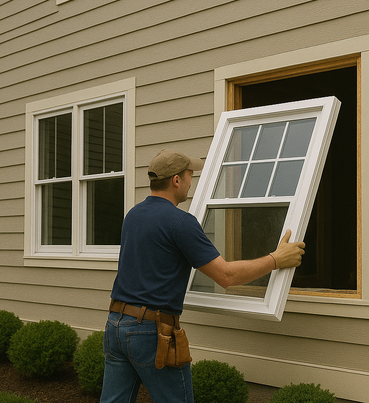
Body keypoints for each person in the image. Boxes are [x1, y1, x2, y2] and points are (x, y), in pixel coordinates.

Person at [100, 149, 305, 403]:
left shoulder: (133, 215)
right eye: (189, 175)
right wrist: (276, 259)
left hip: (115, 326)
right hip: (151, 333)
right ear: (176, 180)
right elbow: (226, 276)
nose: (190, 182)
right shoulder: (179, 222)